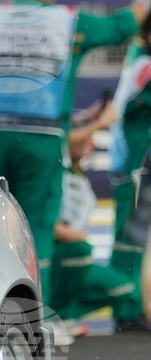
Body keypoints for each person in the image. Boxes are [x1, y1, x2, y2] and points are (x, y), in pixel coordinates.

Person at [0, 0, 151, 302]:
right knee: (36, 230)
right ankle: (34, 316)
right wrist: (143, 1)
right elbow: (121, 26)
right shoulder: (65, 22)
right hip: (41, 141)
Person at [50, 100, 145, 341]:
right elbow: (46, 224)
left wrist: (91, 118)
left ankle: (65, 312)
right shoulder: (50, 169)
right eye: (84, 137)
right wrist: (100, 123)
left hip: (71, 258)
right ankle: (55, 314)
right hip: (57, 256)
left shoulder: (80, 177)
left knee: (126, 290)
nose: (90, 142)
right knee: (79, 249)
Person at [107, 12, 151, 331]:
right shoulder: (145, 67)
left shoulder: (140, 62)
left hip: (134, 162)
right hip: (134, 164)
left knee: (134, 234)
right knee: (130, 235)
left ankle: (130, 304)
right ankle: (126, 306)